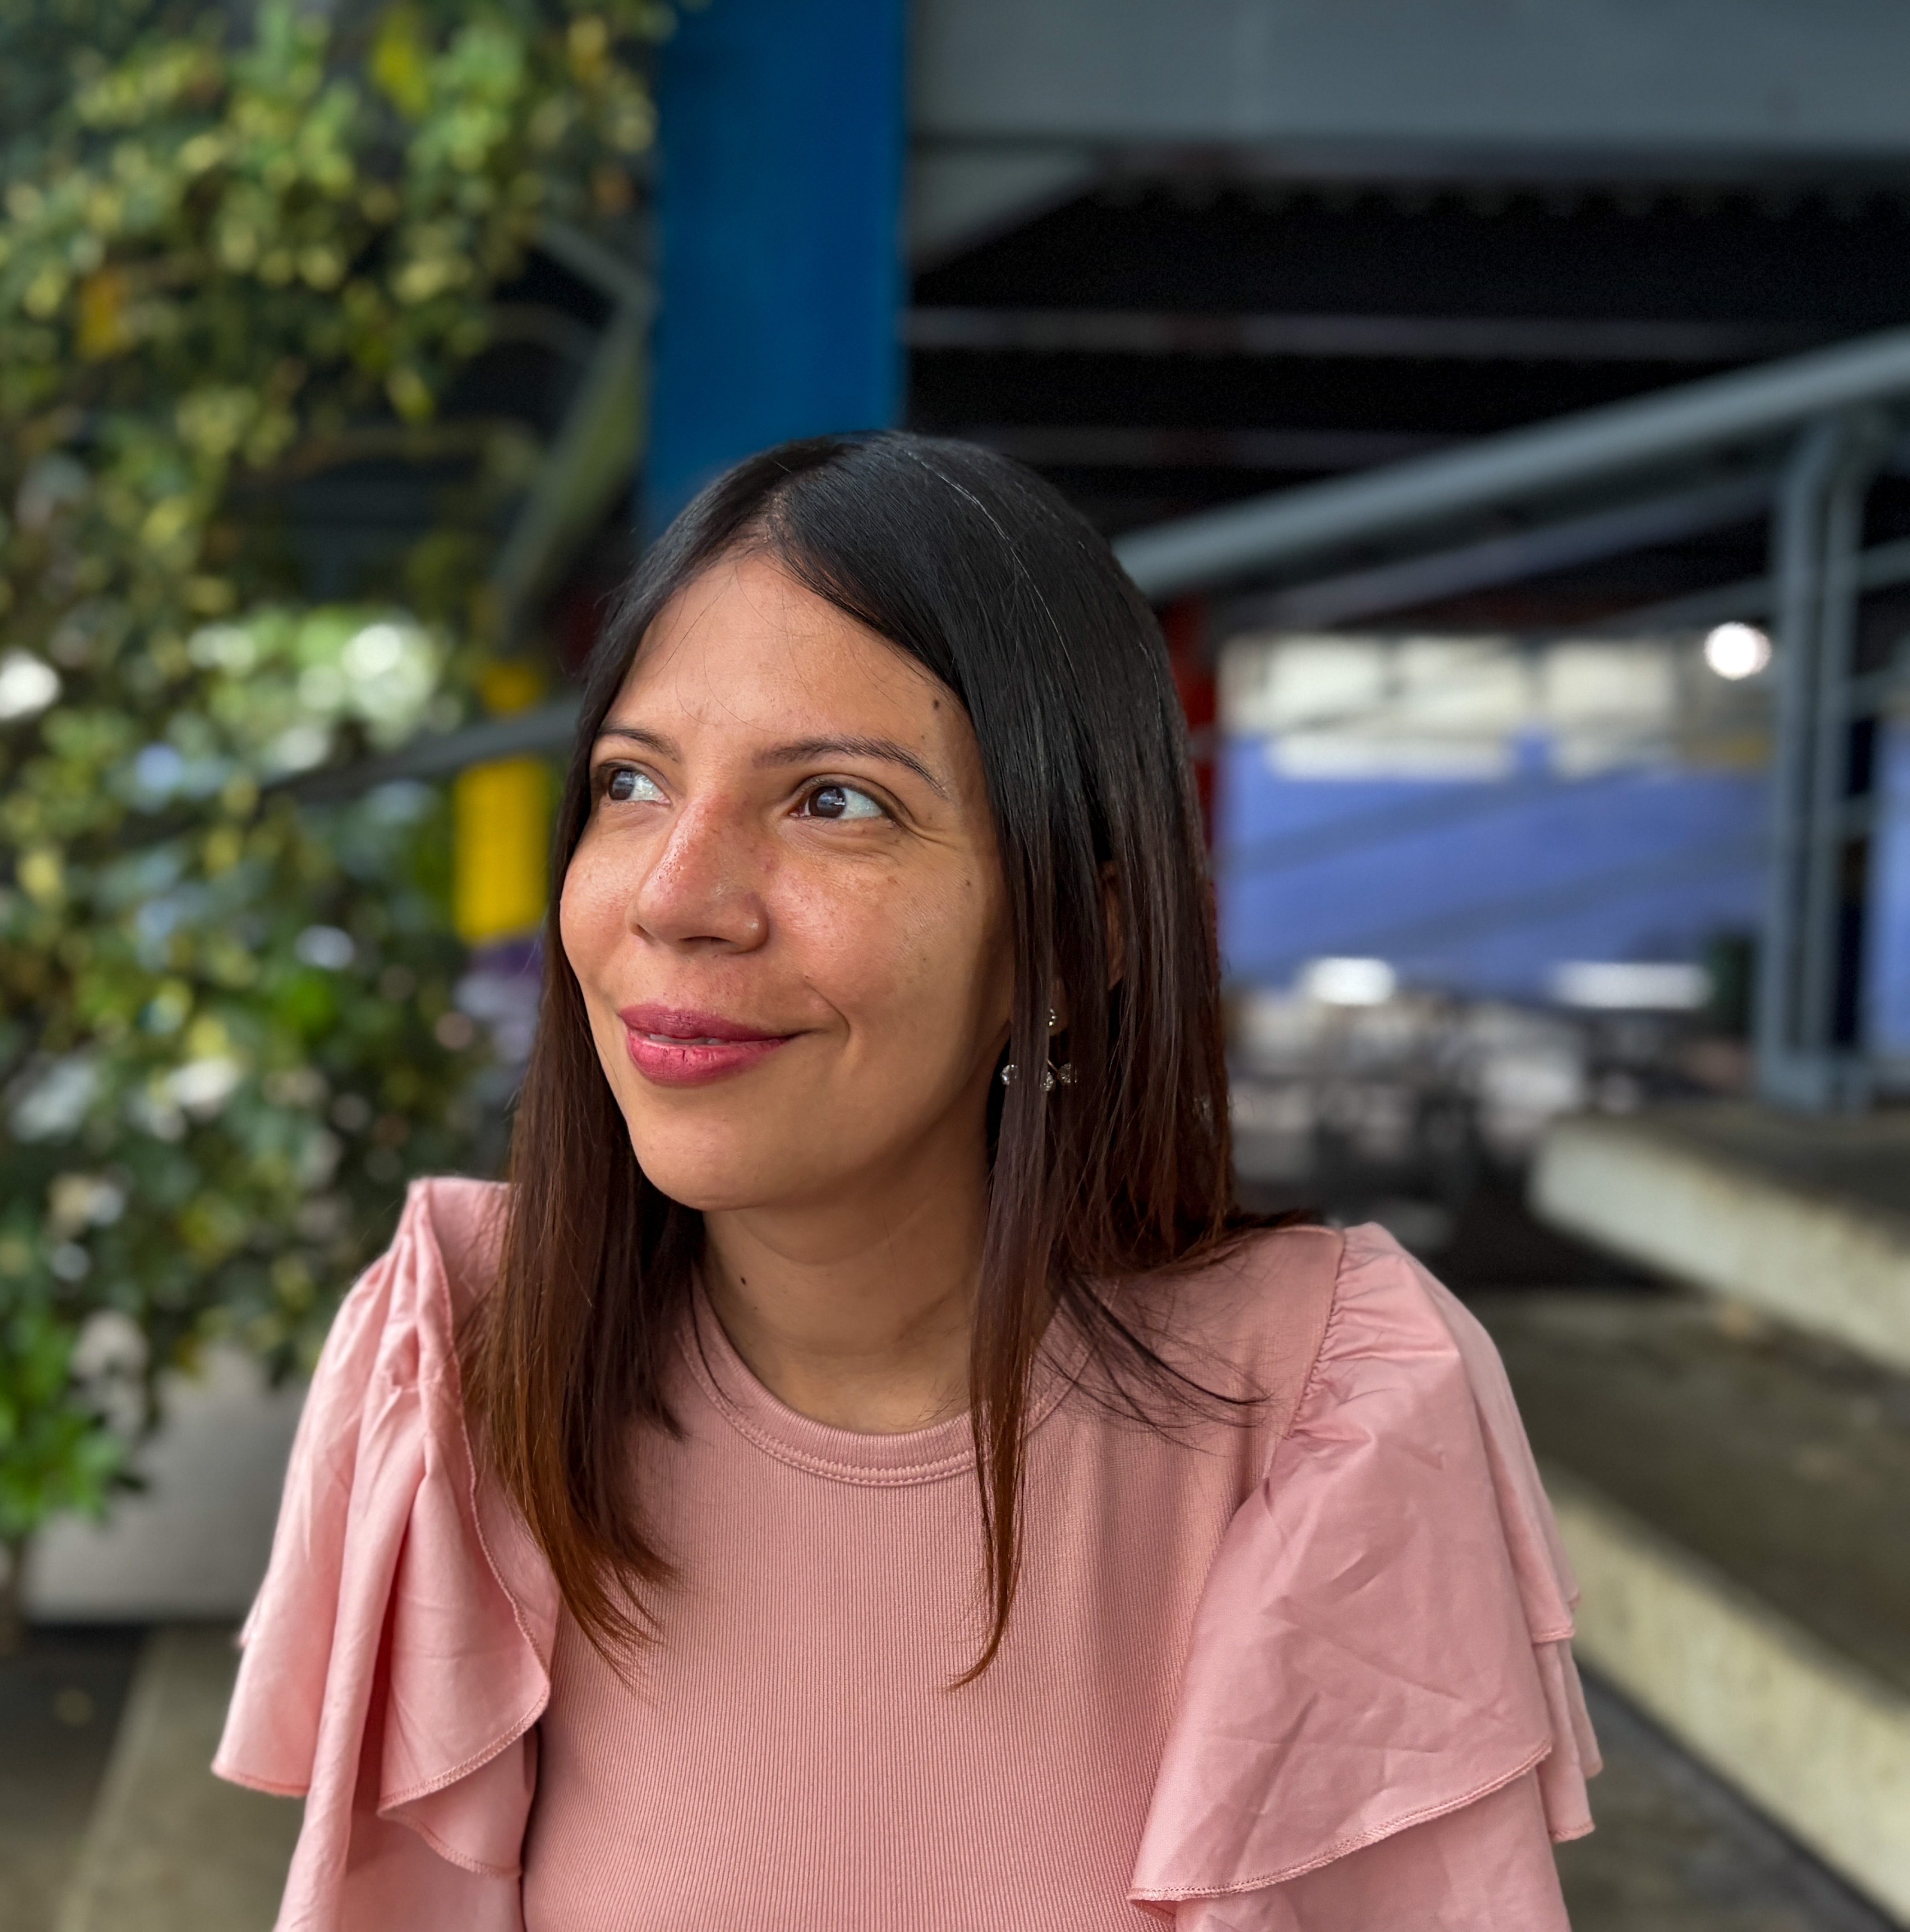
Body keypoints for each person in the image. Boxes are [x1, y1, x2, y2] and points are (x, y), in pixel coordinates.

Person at [215, 433, 1596, 1931]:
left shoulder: (1328, 1416)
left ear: (1078, 941)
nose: (675, 897)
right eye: (631, 782)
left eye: (836, 802)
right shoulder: (469, 1371)